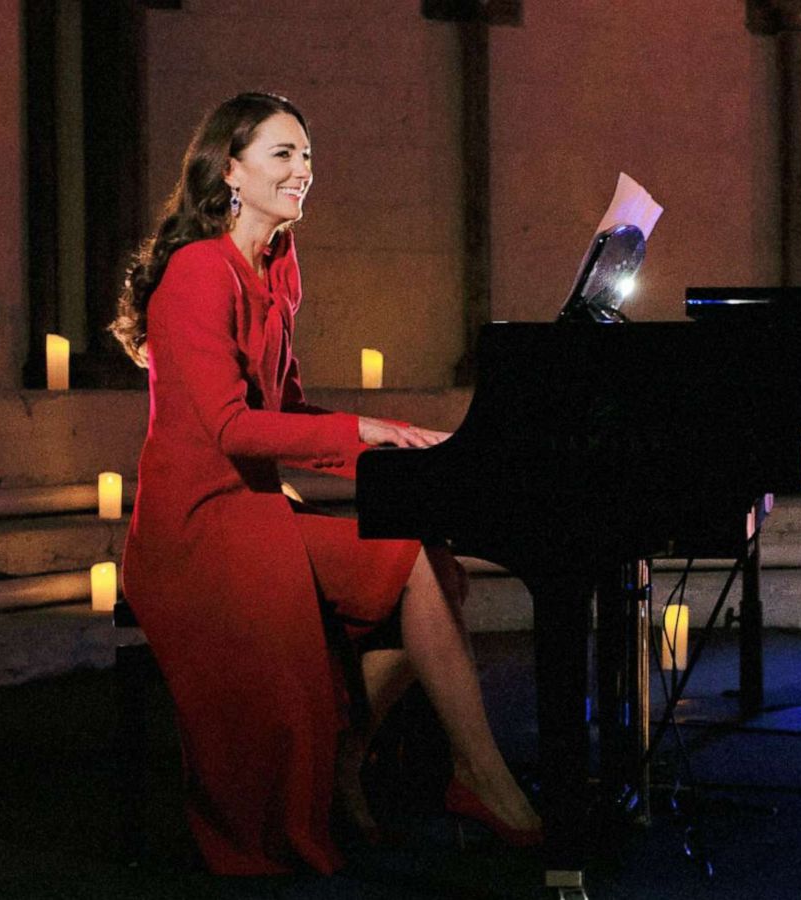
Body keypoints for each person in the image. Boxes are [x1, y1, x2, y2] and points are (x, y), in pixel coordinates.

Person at [109, 91, 540, 876]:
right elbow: (232, 429)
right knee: (405, 570)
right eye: (283, 154)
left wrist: (392, 439)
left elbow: (286, 407)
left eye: (307, 155)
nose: (303, 170)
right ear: (229, 170)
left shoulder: (278, 264)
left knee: (426, 567)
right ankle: (455, 774)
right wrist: (360, 434)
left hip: (256, 508)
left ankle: (402, 763)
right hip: (194, 528)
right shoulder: (198, 274)